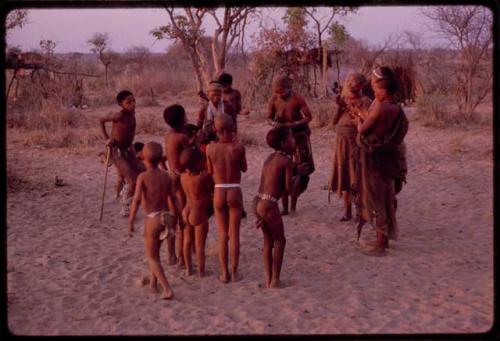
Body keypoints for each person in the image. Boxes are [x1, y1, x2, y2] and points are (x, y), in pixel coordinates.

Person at [355, 66, 409, 256]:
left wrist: (359, 122)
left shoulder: (380, 105)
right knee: (387, 198)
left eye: (375, 87)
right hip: (389, 160)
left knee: (376, 200)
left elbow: (364, 129)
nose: (374, 91)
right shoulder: (396, 107)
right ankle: (383, 240)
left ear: (382, 88)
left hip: (376, 160)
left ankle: (380, 245)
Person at [128, 142, 183, 300]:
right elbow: (174, 198)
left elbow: (137, 199)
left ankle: (167, 288)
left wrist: (131, 220)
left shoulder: (142, 177)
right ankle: (153, 284)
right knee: (156, 254)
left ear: (143, 157)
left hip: (153, 219)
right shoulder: (166, 176)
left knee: (151, 257)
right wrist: (180, 219)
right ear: (161, 159)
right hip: (167, 216)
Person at [206, 114, 247, 283]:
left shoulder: (210, 148)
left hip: (219, 190)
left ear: (215, 129)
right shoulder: (238, 147)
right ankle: (235, 272)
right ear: (233, 128)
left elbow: (209, 171)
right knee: (235, 234)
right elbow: (244, 168)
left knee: (223, 234)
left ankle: (224, 273)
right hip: (234, 190)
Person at [267, 74, 315, 215]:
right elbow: (268, 117)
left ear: (289, 88)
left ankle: (293, 206)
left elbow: (309, 116)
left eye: (282, 91)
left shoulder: (297, 98)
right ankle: (285, 208)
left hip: (299, 138)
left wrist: (294, 123)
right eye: (277, 91)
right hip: (284, 140)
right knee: (284, 172)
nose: (280, 94)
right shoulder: (274, 99)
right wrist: (273, 123)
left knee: (300, 172)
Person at [253, 127, 294, 288]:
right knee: (280, 241)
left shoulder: (270, 157)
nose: (294, 141)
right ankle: (275, 280)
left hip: (257, 201)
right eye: (291, 138)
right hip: (269, 204)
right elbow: (289, 190)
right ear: (284, 143)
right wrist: (297, 174)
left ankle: (268, 278)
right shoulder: (286, 161)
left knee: (268, 240)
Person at [330, 73, 372, 222]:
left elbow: (368, 121)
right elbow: (334, 121)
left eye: (353, 83)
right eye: (349, 83)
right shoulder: (344, 101)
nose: (350, 85)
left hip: (357, 144)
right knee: (346, 177)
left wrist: (355, 109)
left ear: (361, 85)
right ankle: (347, 211)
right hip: (342, 144)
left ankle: (360, 212)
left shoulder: (365, 101)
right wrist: (340, 107)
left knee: (358, 178)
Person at [99, 90, 146, 217]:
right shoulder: (118, 116)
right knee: (130, 179)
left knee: (144, 170)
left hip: (128, 148)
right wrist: (106, 139)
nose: (132, 104)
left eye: (134, 101)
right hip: (116, 150)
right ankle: (125, 206)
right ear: (121, 104)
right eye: (128, 102)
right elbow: (101, 120)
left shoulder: (132, 114)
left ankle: (125, 194)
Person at [179, 147, 214, 277]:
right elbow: (212, 190)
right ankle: (201, 270)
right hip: (198, 213)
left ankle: (188, 268)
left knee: (187, 241)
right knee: (200, 245)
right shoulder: (203, 177)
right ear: (198, 163)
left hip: (186, 211)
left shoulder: (182, 177)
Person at [163, 104, 190, 267]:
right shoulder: (182, 138)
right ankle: (182, 258)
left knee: (171, 221)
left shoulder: (168, 135)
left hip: (171, 176)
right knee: (183, 221)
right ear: (181, 118)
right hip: (180, 179)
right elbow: (188, 157)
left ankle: (172, 255)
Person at [197, 82, 226, 147]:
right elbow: (199, 125)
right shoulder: (204, 108)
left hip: (222, 135)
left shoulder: (226, 106)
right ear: (208, 95)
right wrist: (199, 136)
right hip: (208, 135)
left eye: (218, 95)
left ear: (221, 95)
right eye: (213, 95)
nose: (216, 97)